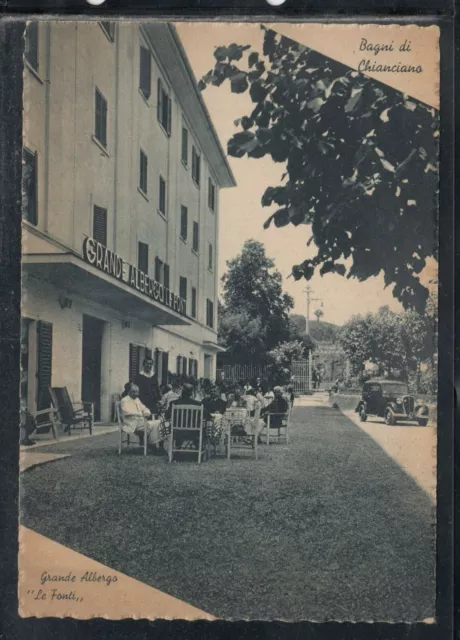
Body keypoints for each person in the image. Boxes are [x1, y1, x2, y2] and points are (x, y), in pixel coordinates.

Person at [166, 377, 211, 450]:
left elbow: (167, 416)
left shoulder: (173, 403)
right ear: (191, 393)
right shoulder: (198, 404)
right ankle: (198, 447)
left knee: (175, 424)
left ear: (181, 392)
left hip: (177, 432)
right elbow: (208, 417)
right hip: (194, 433)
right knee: (203, 428)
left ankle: (177, 447)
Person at [120, 384, 162, 451]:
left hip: (140, 422)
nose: (136, 394)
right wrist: (140, 414)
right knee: (155, 425)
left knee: (159, 423)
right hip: (131, 423)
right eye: (133, 392)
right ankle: (152, 445)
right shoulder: (124, 400)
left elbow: (144, 408)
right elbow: (126, 412)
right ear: (129, 392)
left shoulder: (137, 400)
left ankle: (154, 444)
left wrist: (146, 412)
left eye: (137, 392)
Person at [135, 356, 163, 453]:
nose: (149, 366)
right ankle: (142, 441)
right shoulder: (139, 376)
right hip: (142, 401)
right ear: (143, 364)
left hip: (152, 401)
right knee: (143, 421)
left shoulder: (153, 376)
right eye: (147, 364)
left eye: (151, 364)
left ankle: (152, 442)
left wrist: (159, 399)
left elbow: (156, 388)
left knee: (154, 422)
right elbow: (136, 390)